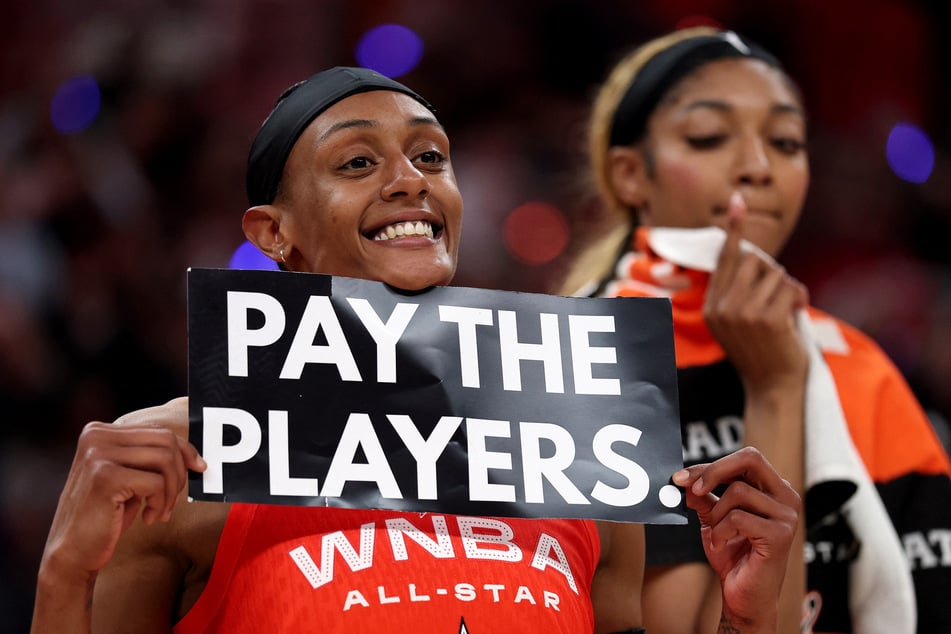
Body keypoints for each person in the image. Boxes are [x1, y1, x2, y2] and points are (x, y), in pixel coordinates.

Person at [31, 66, 800, 634]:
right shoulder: (180, 455)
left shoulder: (584, 448)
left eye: (431, 158)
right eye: (357, 163)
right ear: (275, 234)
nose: (409, 180)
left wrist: (749, 620)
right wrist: (67, 571)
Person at [564, 27, 951, 634]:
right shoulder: (567, 362)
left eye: (787, 141)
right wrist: (774, 388)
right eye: (709, 137)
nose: (758, 166)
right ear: (631, 174)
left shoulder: (859, 365)